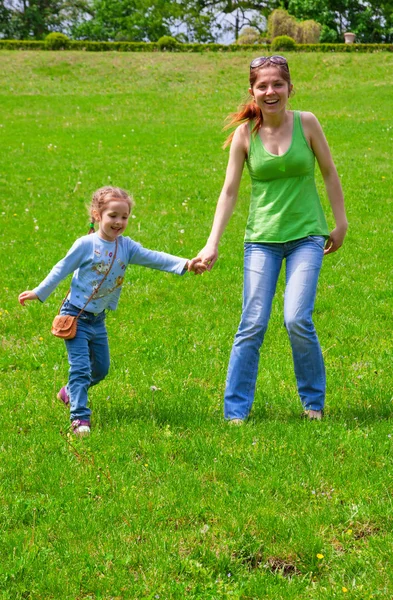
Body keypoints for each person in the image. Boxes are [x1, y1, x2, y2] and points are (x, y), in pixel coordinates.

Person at [190, 55, 348, 424]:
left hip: (307, 235)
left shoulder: (306, 123)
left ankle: (313, 404)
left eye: (277, 84)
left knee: (296, 318)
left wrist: (339, 223)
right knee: (253, 322)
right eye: (262, 85)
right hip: (261, 239)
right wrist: (212, 243)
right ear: (253, 91)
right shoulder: (245, 135)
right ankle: (235, 412)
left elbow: (329, 173)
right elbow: (229, 192)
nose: (270, 91)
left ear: (290, 88)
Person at [19, 186, 206, 436]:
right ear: (97, 215)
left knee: (101, 369)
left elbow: (154, 257)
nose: (119, 222)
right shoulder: (86, 245)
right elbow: (60, 269)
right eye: (112, 216)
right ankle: (80, 419)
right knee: (81, 369)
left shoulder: (126, 247)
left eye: (124, 217)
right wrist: (38, 292)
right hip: (75, 316)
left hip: (98, 319)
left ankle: (69, 392)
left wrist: (185, 263)